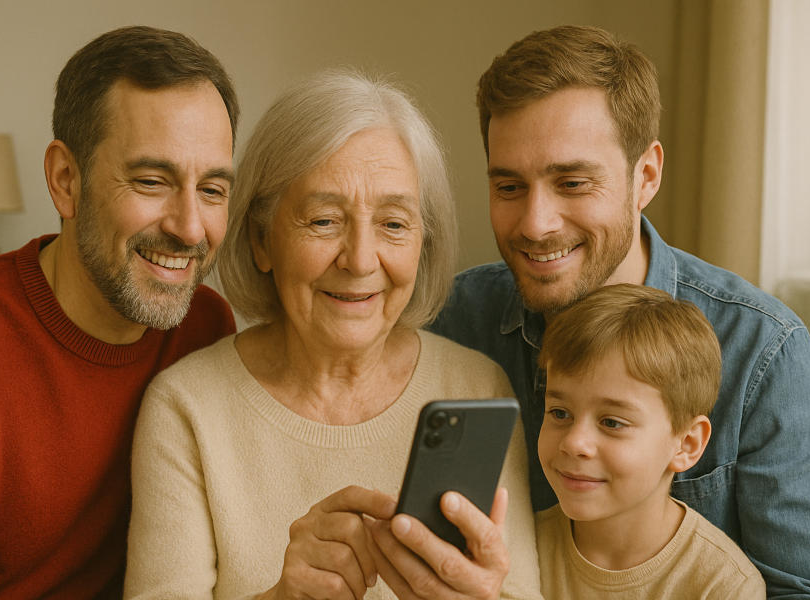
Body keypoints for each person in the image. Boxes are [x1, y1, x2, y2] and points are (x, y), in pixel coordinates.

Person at [429, 24, 810, 597]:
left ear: (645, 176)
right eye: (509, 187)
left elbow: (805, 592)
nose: (536, 224)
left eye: (571, 182)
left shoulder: (761, 349)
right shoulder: (454, 322)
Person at [124, 70, 542, 599]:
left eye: (394, 224)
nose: (361, 259)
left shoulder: (476, 386)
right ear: (261, 240)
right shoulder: (187, 407)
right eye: (323, 220)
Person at [0, 26, 239, 599]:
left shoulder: (206, 327)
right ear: (65, 181)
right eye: (152, 181)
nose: (190, 227)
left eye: (213, 189)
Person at [535, 283, 764, 598]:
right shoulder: (517, 545)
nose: (574, 443)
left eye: (612, 422)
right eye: (560, 413)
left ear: (687, 444)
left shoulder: (723, 586)